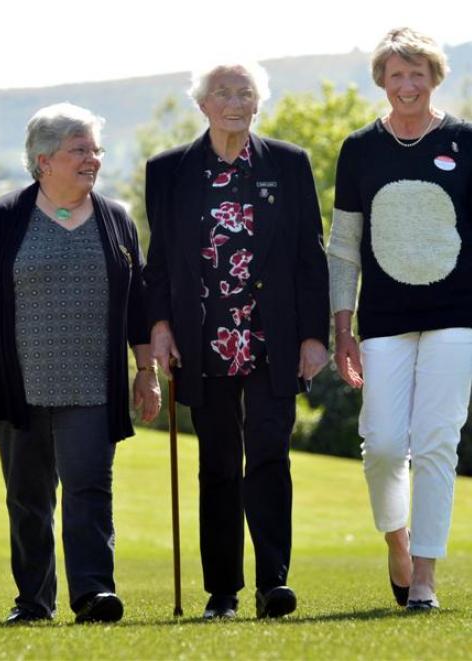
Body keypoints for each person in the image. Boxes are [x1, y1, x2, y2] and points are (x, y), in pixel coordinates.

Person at [145, 62, 329, 619]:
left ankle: (274, 582)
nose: (234, 100)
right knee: (219, 463)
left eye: (244, 91)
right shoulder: (169, 169)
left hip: (272, 335)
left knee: (270, 454)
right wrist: (158, 326)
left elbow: (309, 257)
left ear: (258, 102)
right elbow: (159, 262)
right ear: (202, 104)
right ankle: (221, 592)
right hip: (203, 338)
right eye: (222, 92)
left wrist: (314, 335)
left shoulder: (288, 164)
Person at [0, 103, 161, 624]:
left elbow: (138, 306)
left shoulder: (116, 218)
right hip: (18, 385)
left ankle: (93, 592)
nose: (93, 159)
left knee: (89, 489)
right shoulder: (5, 218)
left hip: (91, 385)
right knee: (28, 499)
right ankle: (33, 602)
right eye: (80, 150)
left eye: (96, 150)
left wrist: (146, 372)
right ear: (43, 160)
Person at [328, 27, 472, 610]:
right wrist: (343, 329)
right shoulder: (359, 148)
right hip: (382, 318)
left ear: (435, 78)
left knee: (437, 442)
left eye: (417, 74)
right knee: (385, 444)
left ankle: (425, 579)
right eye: (396, 75)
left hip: (457, 313)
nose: (406, 85)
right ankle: (398, 542)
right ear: (382, 82)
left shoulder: (465, 141)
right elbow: (343, 245)